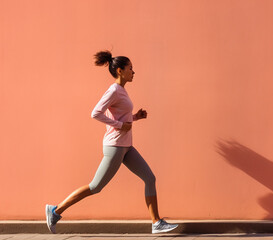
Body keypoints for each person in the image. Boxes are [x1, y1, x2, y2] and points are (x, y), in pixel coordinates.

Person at [45, 50, 178, 234]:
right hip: (115, 146)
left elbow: (121, 117)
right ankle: (55, 210)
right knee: (95, 186)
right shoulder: (114, 90)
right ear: (120, 71)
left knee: (150, 178)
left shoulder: (122, 90)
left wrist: (135, 117)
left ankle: (156, 222)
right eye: (131, 68)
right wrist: (119, 125)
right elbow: (96, 113)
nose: (134, 71)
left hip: (126, 146)